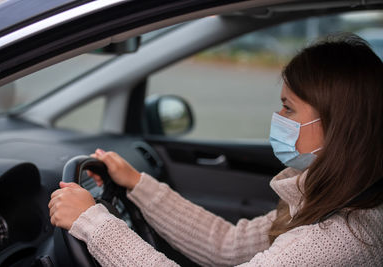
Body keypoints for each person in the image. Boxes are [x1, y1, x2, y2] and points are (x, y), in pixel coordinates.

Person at [48, 33, 383, 266]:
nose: (278, 118)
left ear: (339, 126)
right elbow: (227, 245)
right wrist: (137, 183)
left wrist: (92, 223)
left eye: (289, 108)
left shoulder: (333, 239)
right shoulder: (328, 200)